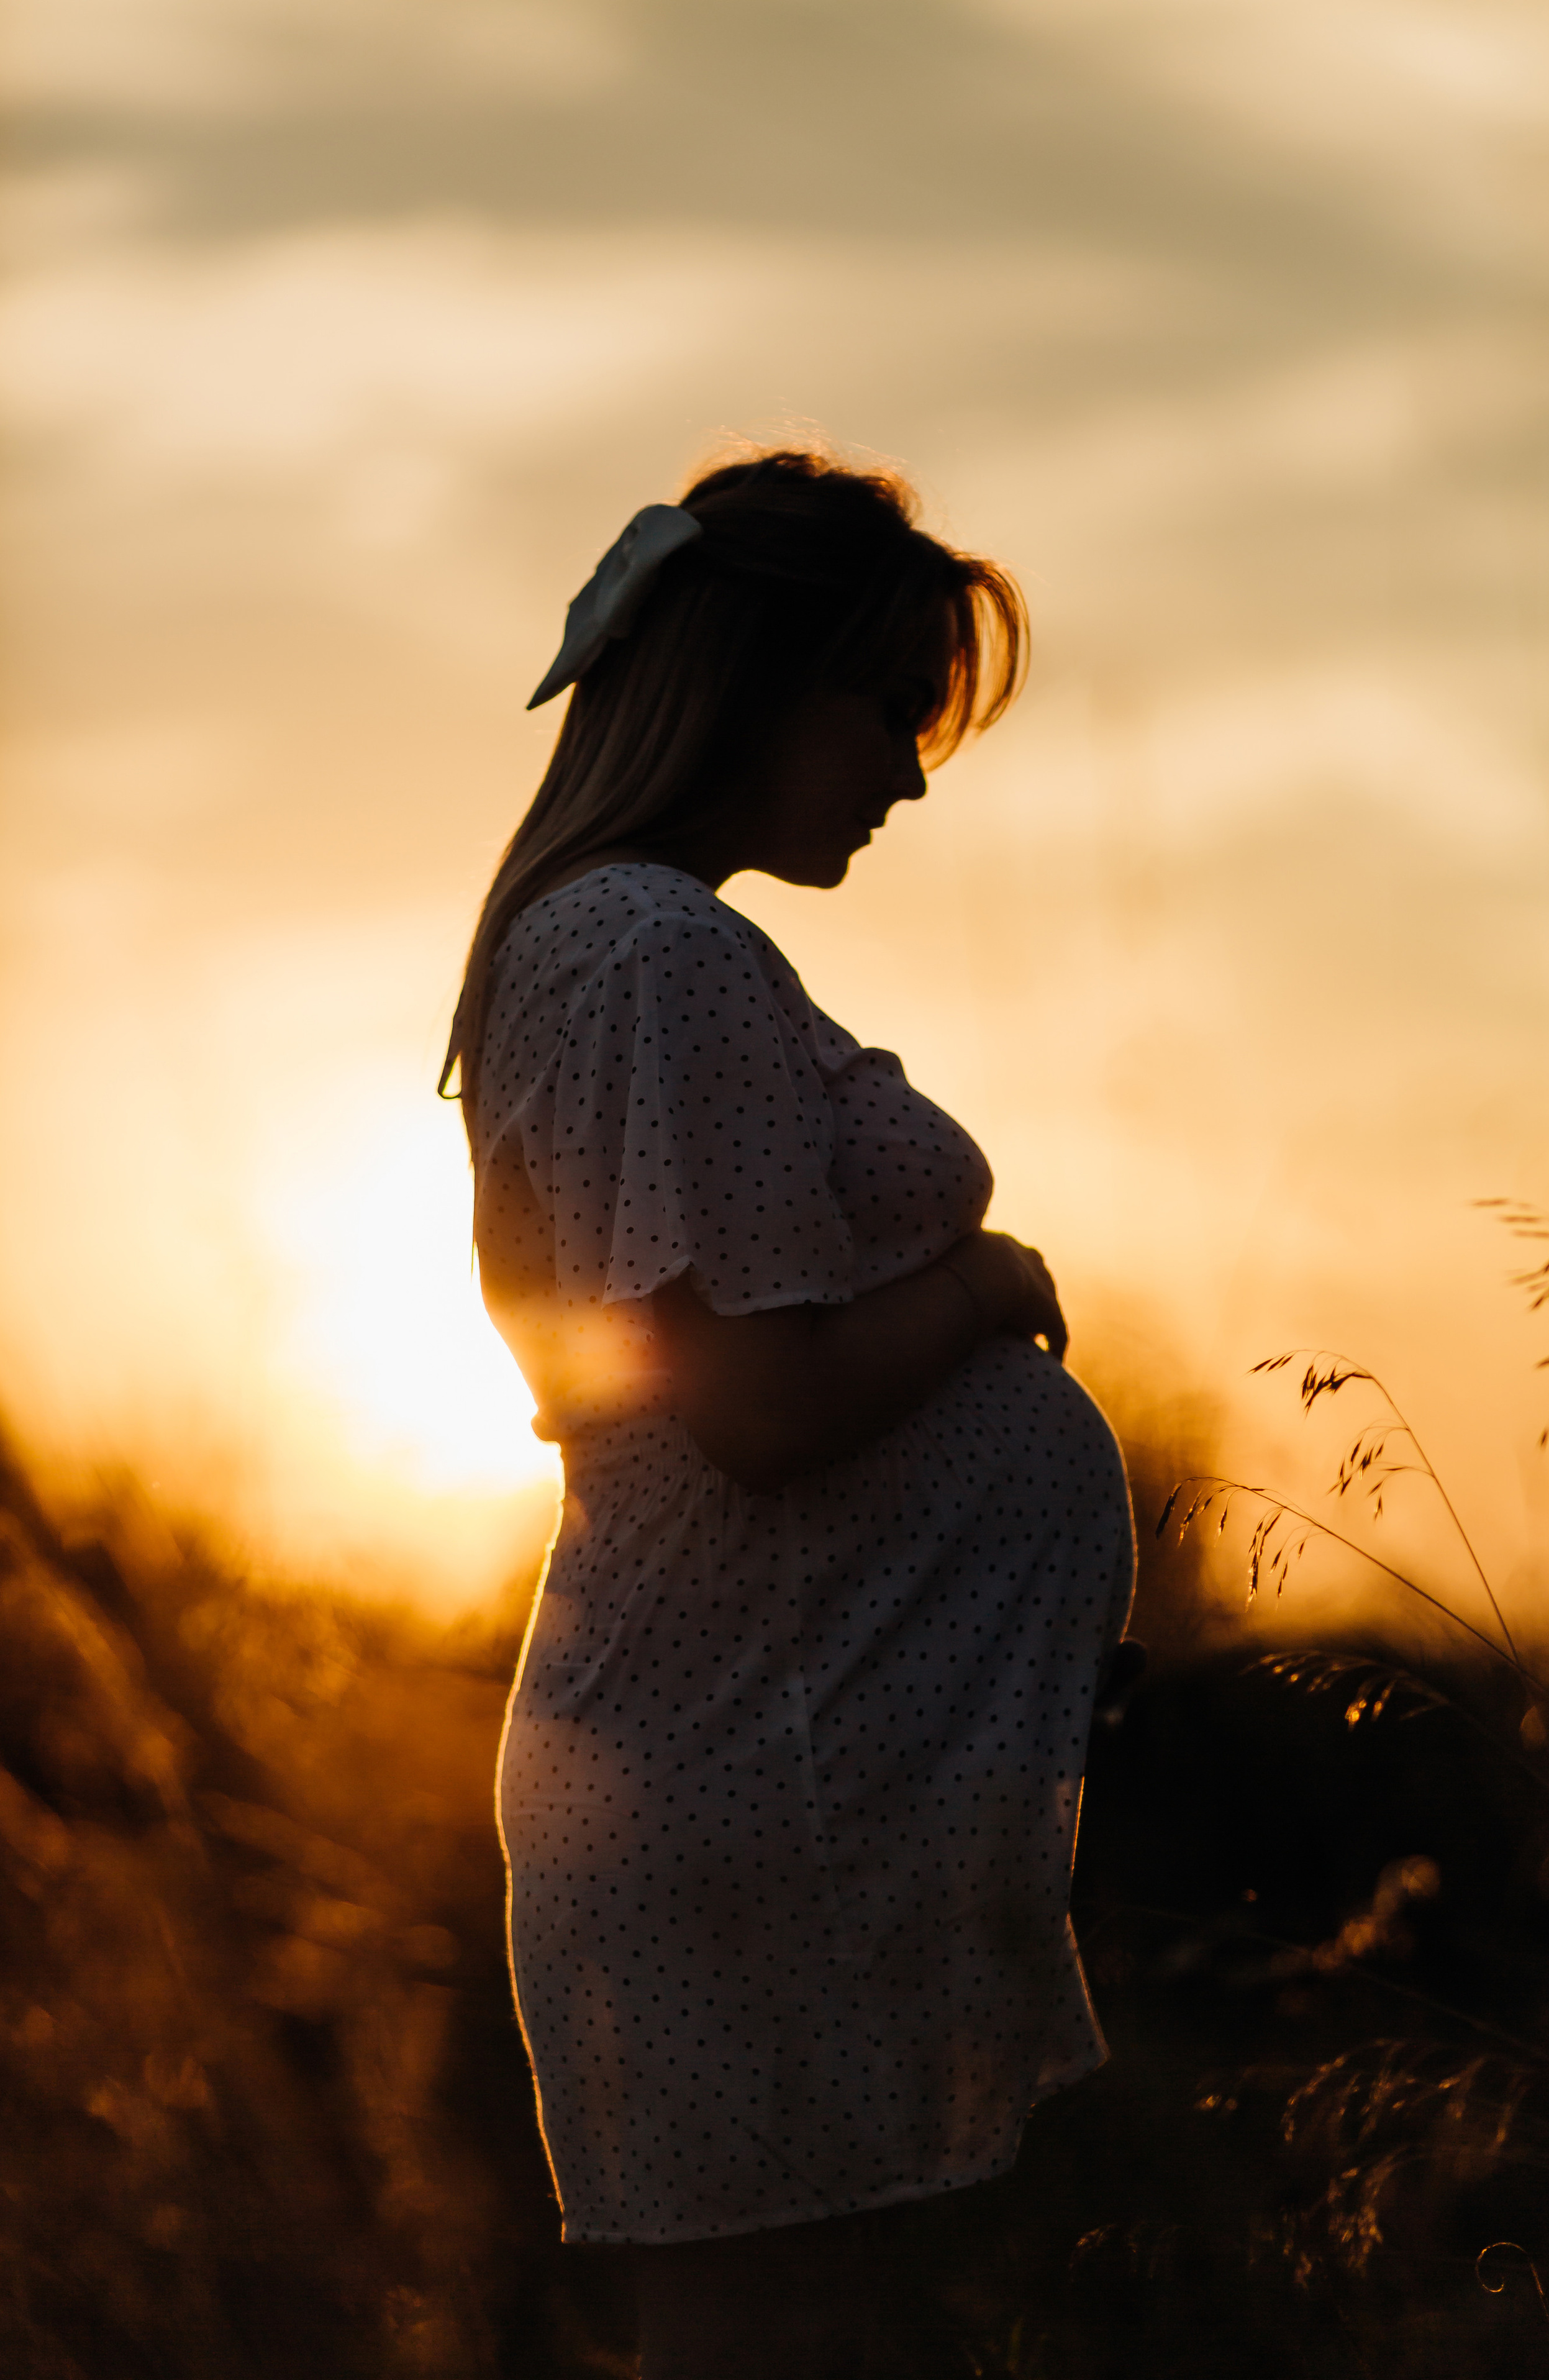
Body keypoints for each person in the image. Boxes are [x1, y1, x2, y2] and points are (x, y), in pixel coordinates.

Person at [442, 448, 1136, 2378]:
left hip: (761, 1771)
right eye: (892, 715)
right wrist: (986, 1289)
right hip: (751, 1784)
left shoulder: (607, 949)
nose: (909, 776)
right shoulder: (655, 955)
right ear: (763, 687)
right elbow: (748, 1402)